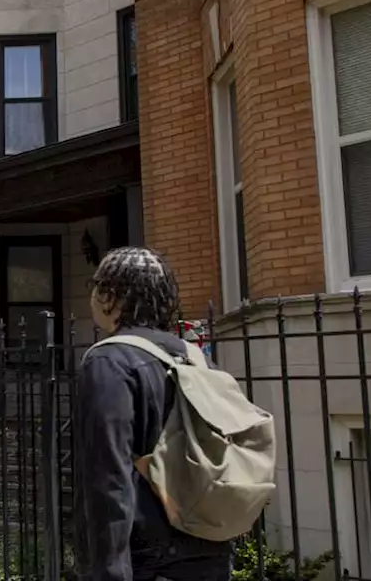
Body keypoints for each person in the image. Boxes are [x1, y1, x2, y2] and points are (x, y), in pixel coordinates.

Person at [73, 247, 234, 581]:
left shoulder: (109, 361)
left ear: (110, 296)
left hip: (147, 556)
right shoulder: (193, 357)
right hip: (209, 546)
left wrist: (108, 570)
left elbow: (108, 476)